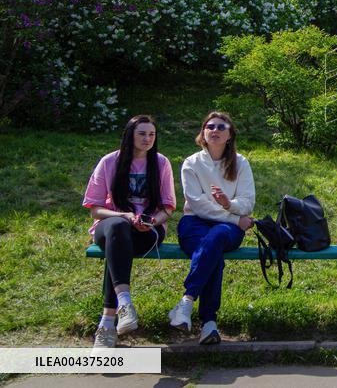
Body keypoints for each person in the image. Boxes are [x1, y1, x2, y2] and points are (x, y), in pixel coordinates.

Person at [83, 115, 176, 348]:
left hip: (147, 232)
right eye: (142, 133)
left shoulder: (161, 163)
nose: (147, 139)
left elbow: (168, 209)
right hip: (111, 226)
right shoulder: (109, 162)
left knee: (117, 254)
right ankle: (124, 304)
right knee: (118, 229)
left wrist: (153, 221)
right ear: (130, 135)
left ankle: (106, 324)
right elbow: (95, 209)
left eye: (152, 134)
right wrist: (123, 215)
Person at [170, 111, 255, 345]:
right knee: (213, 253)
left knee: (217, 237)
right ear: (203, 134)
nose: (215, 130)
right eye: (210, 127)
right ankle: (209, 324)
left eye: (221, 127)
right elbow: (197, 204)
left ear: (230, 135)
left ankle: (187, 301)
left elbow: (248, 201)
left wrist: (230, 204)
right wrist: (235, 218)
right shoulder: (191, 163)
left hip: (226, 228)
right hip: (195, 223)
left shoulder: (241, 163)